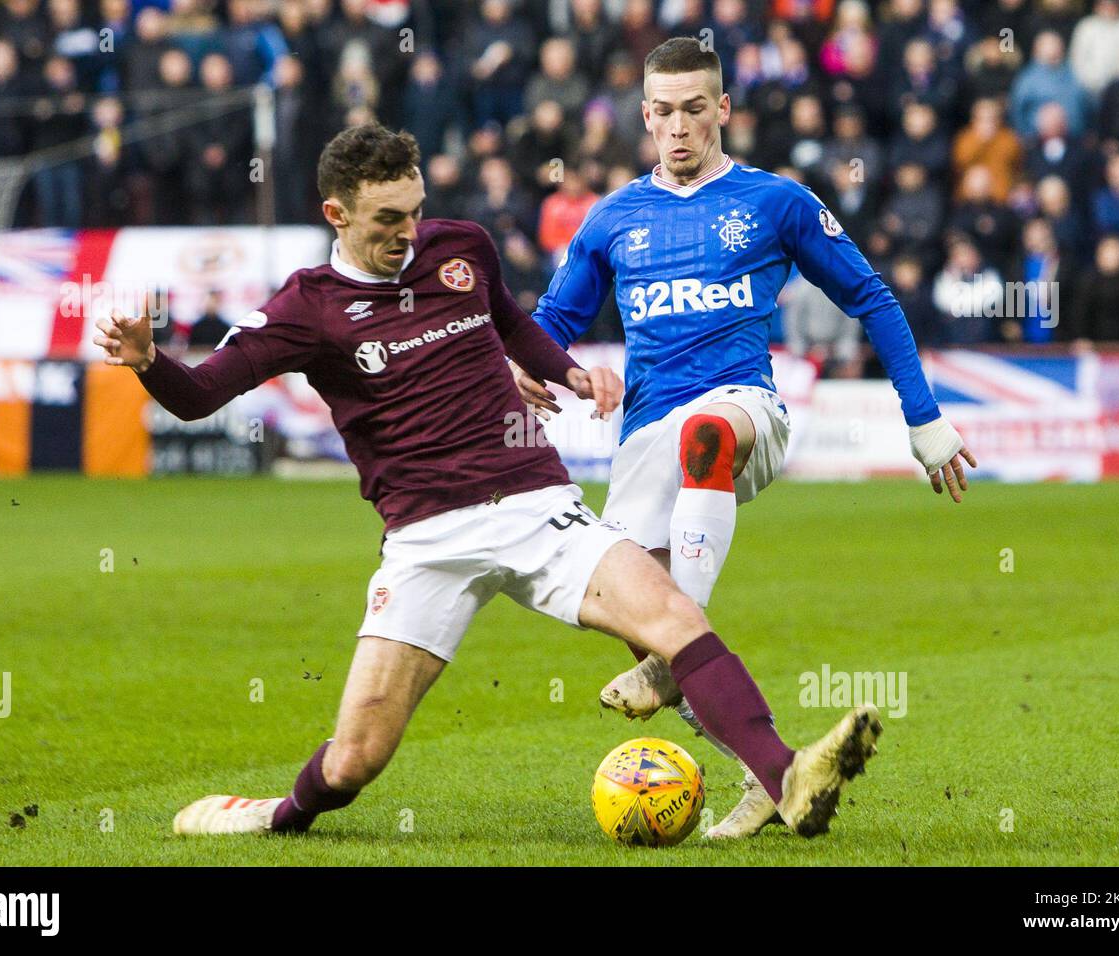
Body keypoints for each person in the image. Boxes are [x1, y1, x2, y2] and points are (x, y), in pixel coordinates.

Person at [93, 123, 883, 840]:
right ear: (337, 215)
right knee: (355, 761)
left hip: (538, 505)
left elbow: (511, 326)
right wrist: (150, 361)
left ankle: (787, 776)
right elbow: (200, 397)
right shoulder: (309, 308)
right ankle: (278, 814)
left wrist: (569, 371)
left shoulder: (460, 247)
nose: (407, 234)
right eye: (385, 221)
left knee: (674, 618)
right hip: (427, 541)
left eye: (413, 212)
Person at [515, 37, 973, 839]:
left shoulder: (775, 202)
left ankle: (671, 656)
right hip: (645, 437)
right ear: (645, 115)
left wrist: (923, 416)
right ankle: (769, 775)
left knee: (705, 436)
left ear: (723, 108)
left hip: (743, 412)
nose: (680, 127)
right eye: (663, 112)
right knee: (635, 614)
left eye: (697, 109)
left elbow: (873, 299)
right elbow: (552, 322)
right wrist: (529, 367)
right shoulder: (613, 219)